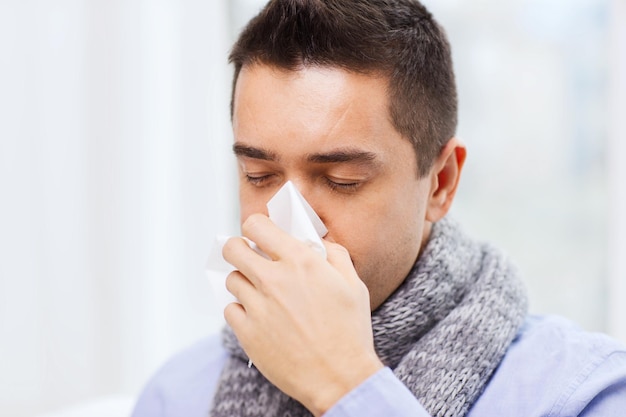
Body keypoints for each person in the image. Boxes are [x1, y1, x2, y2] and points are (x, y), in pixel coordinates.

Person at [131, 1, 626, 416]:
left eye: (342, 180)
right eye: (258, 176)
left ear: (442, 183)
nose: (290, 220)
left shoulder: (584, 393)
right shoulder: (175, 395)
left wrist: (346, 385)